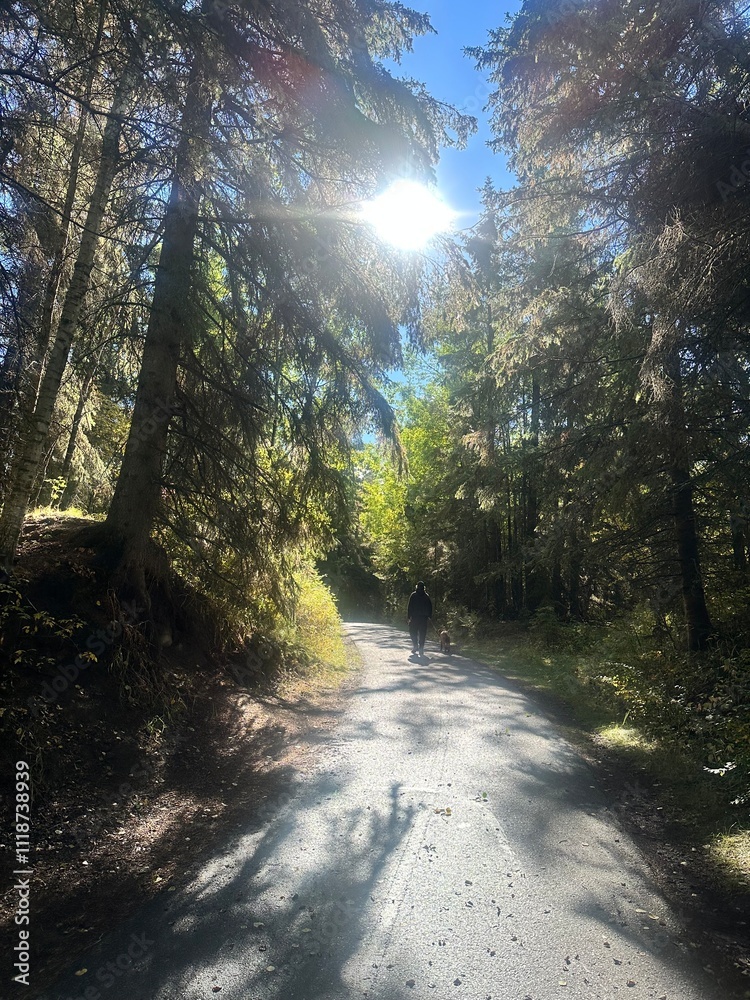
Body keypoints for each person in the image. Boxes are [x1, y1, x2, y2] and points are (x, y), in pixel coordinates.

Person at [407, 581, 432, 655]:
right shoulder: (426, 596)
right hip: (423, 618)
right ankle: (421, 647)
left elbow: (410, 606)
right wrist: (429, 616)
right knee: (422, 633)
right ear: (424, 588)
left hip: (415, 617)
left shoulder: (413, 595)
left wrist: (409, 616)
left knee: (412, 631)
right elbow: (430, 607)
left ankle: (415, 645)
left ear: (417, 587)